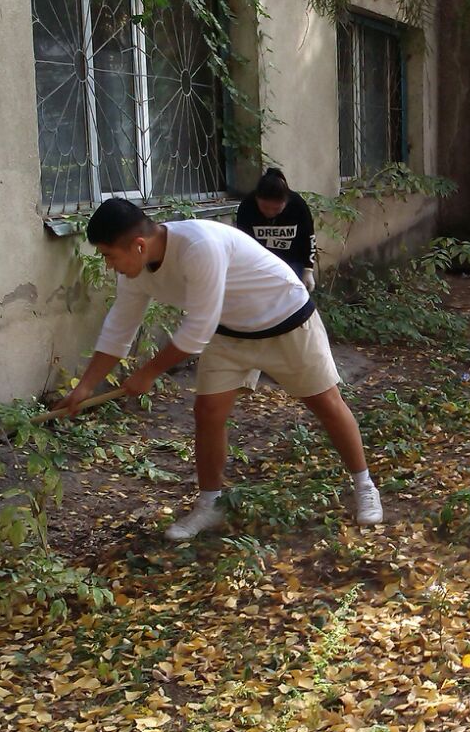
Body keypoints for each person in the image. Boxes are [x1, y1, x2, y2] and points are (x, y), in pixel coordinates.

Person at [54, 198, 383, 539]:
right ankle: (210, 505)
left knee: (325, 403)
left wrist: (148, 372)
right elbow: (118, 329)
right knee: (208, 412)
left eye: (109, 255)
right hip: (229, 333)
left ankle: (365, 486)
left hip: (286, 319)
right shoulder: (134, 273)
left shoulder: (199, 246)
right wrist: (85, 387)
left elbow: (196, 331)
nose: (109, 265)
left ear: (138, 245)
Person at [236, 168, 318, 290]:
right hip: (259, 265)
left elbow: (309, 237)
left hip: (292, 263)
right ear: (257, 199)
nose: (270, 212)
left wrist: (308, 269)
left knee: (293, 296)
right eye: (265, 207)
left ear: (286, 201)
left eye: (276, 209)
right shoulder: (247, 206)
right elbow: (242, 241)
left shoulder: (297, 205)